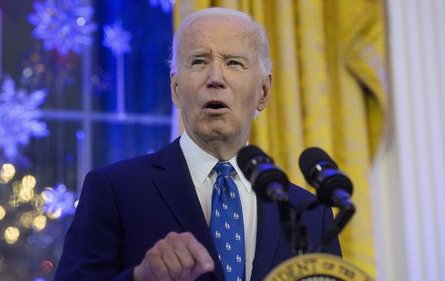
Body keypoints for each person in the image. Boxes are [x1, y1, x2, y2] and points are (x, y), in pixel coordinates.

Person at [54, 7, 341, 281]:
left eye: (234, 63)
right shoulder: (114, 190)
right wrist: (141, 277)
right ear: (176, 89)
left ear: (264, 91)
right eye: (199, 61)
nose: (215, 78)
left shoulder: (310, 214)